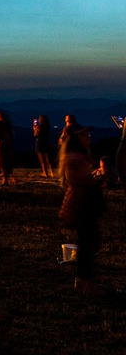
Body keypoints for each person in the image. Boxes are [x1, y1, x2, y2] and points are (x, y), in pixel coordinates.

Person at [59, 121, 108, 295]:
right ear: (75, 138)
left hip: (84, 202)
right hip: (83, 203)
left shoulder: (77, 156)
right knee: (88, 243)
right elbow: (79, 179)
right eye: (84, 134)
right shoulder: (75, 158)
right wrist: (95, 178)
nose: (88, 137)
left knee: (86, 242)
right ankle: (87, 282)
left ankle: (82, 280)